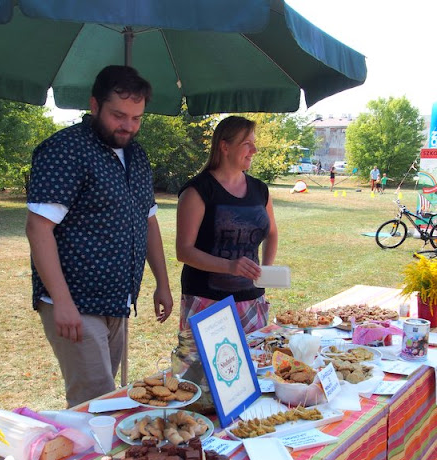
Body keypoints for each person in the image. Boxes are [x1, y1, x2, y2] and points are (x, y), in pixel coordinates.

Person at [25, 66, 173, 407]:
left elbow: (148, 220)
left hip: (117, 299)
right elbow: (38, 227)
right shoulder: (65, 150)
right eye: (119, 115)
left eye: (137, 118)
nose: (128, 126)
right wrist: (61, 301)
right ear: (95, 106)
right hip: (75, 301)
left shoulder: (137, 155)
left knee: (110, 398)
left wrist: (162, 282)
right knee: (96, 403)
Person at [176, 115, 278, 338]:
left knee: (255, 365)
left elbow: (271, 232)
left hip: (252, 300)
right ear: (224, 146)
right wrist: (230, 266)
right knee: (202, 370)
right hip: (207, 302)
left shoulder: (260, 190)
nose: (255, 150)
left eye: (254, 143)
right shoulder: (198, 190)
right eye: (247, 144)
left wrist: (266, 271)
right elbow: (184, 251)